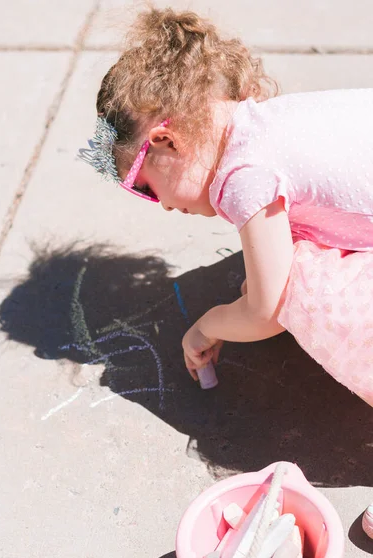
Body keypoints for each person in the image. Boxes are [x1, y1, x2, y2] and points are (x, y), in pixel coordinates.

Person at [81, 7, 373, 407]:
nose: (162, 205)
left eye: (146, 187)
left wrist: (207, 326)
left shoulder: (244, 176)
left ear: (167, 142)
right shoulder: (261, 121)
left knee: (306, 288)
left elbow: (267, 310)